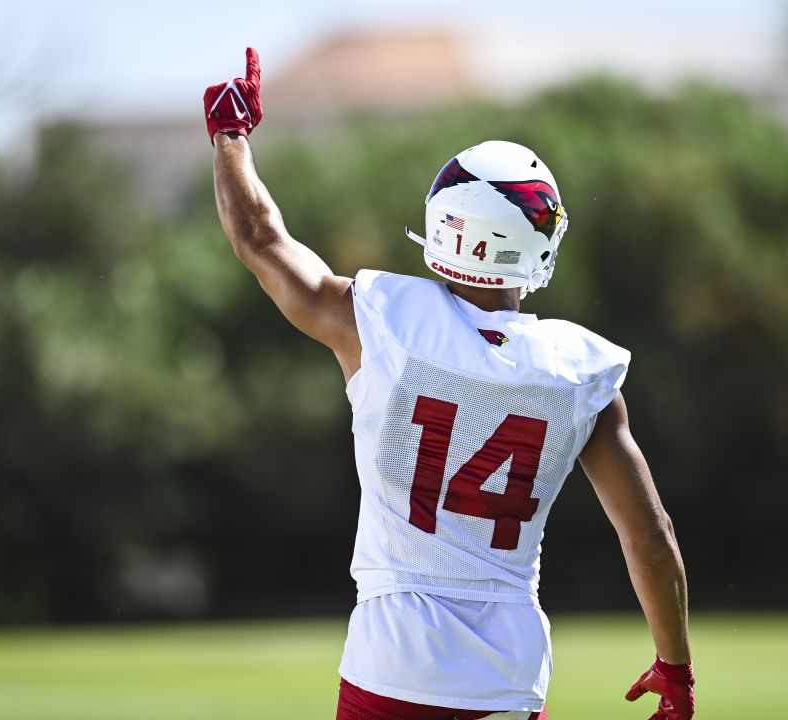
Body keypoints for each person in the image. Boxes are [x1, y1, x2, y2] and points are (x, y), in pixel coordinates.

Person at [204, 48, 695, 720]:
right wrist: (677, 669)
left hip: (393, 660)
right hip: (506, 671)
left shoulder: (378, 323)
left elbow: (260, 237)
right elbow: (649, 534)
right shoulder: (578, 373)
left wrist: (230, 136)